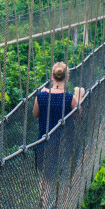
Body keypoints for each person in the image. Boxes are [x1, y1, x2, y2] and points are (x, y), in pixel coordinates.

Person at [32, 62, 85, 201]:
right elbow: (79, 117)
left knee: (44, 179)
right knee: (57, 178)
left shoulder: (41, 96)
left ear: (52, 76)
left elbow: (35, 114)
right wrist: (79, 97)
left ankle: (42, 208)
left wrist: (43, 94)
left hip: (43, 144)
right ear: (67, 77)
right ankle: (50, 208)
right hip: (62, 146)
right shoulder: (70, 98)